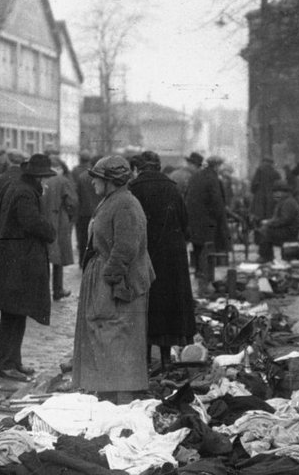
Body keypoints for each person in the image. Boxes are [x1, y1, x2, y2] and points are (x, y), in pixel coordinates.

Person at [73, 155, 154, 404]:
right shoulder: (112, 200)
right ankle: (107, 393)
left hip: (118, 282)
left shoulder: (125, 204)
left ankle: (120, 400)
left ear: (111, 180)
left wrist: (109, 278)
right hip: (107, 276)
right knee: (105, 335)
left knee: (115, 336)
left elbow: (126, 247)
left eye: (97, 178)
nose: (93, 182)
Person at [0, 153, 58, 381]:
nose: (44, 181)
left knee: (16, 312)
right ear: (37, 176)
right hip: (18, 261)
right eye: (43, 177)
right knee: (14, 312)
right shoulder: (25, 193)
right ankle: (5, 363)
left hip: (13, 258)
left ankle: (12, 360)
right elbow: (31, 222)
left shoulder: (18, 187)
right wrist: (50, 230)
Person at [129, 150, 196, 371]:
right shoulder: (172, 188)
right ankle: (166, 358)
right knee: (168, 307)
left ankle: (145, 359)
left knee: (146, 305)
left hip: (145, 255)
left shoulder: (134, 189)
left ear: (139, 167)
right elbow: (186, 223)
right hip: (172, 258)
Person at [184, 155, 232, 295]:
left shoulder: (197, 176)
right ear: (217, 166)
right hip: (207, 223)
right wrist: (221, 221)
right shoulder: (212, 178)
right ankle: (205, 285)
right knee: (207, 252)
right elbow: (217, 202)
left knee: (199, 251)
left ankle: (201, 281)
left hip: (194, 222)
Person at [41, 148, 77, 301]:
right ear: (59, 168)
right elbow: (73, 202)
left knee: (44, 256)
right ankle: (58, 289)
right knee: (58, 258)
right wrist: (69, 216)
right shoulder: (63, 181)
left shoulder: (41, 179)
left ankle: (42, 291)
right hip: (59, 221)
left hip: (42, 219)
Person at [256, 182, 299, 262]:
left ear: (284, 192)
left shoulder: (288, 203)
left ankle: (265, 257)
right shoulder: (285, 201)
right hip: (287, 229)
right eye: (274, 193)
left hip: (289, 231)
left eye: (277, 192)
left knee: (265, 231)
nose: (275, 195)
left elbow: (284, 219)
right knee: (264, 229)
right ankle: (267, 256)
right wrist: (269, 222)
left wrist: (269, 223)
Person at [71, 149, 100, 266]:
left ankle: (83, 262)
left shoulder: (79, 175)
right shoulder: (102, 177)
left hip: (83, 212)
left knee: (82, 239)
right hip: (98, 211)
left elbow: (75, 194)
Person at [250, 156, 281, 221]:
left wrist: (254, 192)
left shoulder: (259, 170)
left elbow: (254, 185)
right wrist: (277, 199)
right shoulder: (275, 173)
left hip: (260, 198)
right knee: (269, 217)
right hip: (271, 198)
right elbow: (279, 187)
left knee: (259, 217)